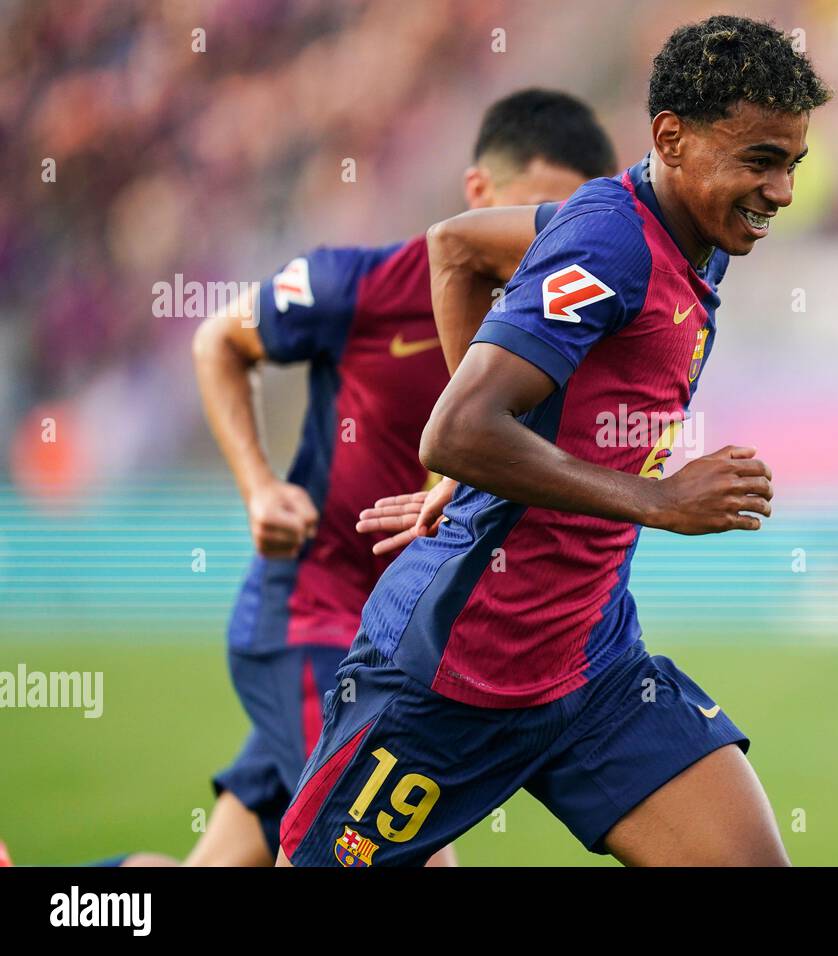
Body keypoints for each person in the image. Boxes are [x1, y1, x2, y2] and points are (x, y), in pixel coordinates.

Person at [278, 15, 830, 868]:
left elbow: (456, 246)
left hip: (595, 666)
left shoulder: (692, 233)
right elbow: (459, 428)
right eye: (759, 160)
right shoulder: (610, 242)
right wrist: (656, 498)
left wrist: (485, 467)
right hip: (452, 676)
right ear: (671, 140)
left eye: (792, 161)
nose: (782, 191)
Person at [121, 90, 616, 867]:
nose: (548, 237)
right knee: (401, 856)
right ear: (479, 195)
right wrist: (258, 487)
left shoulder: (566, 327)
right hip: (311, 618)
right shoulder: (356, 286)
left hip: (397, 644)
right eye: (539, 208)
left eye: (573, 220)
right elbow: (218, 341)